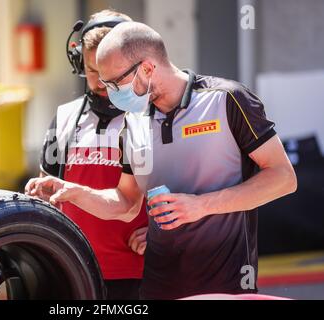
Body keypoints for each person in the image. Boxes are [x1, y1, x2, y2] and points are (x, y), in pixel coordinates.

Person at [26, 21, 297, 299]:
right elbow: (127, 202)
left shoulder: (226, 99)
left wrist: (200, 205)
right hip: (157, 286)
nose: (109, 92)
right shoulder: (132, 122)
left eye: (115, 82)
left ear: (147, 68)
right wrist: (76, 192)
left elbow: (283, 178)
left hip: (226, 283)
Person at [37, 12, 148, 300]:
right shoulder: (65, 116)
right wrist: (38, 192)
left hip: (141, 273)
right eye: (91, 70)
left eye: (108, 70)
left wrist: (165, 234)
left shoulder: (155, 115)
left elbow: (188, 187)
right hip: (73, 268)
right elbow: (47, 188)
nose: (100, 81)